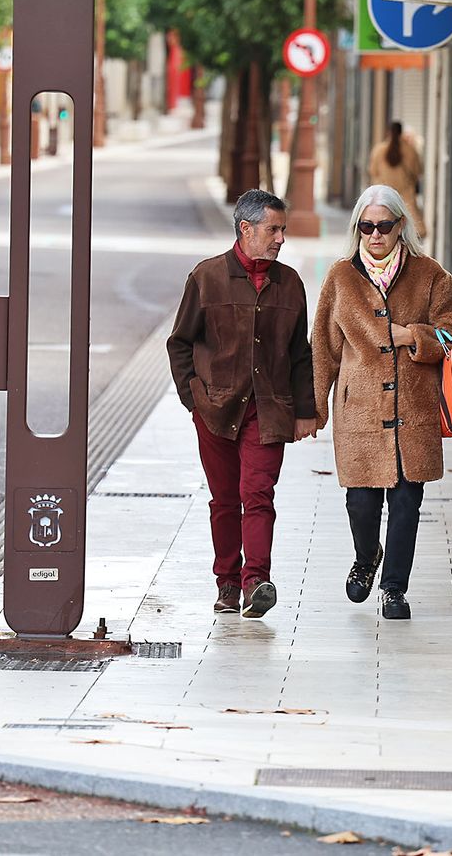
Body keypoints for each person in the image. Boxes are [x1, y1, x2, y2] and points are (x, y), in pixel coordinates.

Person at [312, 185, 452, 621]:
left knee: (405, 502)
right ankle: (366, 557)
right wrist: (316, 408)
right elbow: (322, 346)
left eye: (384, 226)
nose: (375, 235)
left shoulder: (431, 275)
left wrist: (410, 335)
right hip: (358, 411)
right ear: (357, 228)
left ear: (401, 226)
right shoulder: (341, 277)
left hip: (412, 410)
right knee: (361, 503)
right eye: (367, 227)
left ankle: (394, 589)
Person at [168, 189, 318, 619]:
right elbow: (179, 342)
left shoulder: (290, 284)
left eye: (283, 230)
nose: (281, 239)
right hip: (214, 410)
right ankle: (228, 583)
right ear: (246, 229)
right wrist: (192, 398)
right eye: (273, 229)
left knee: (258, 494)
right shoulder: (206, 277)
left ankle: (256, 581)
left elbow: (300, 353)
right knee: (224, 499)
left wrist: (305, 410)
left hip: (268, 411)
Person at [368, 122, 427, 240]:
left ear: (388, 132)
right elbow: (418, 171)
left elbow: (373, 171)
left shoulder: (379, 150)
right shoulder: (410, 150)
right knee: (414, 231)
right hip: (407, 198)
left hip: (384, 197)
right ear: (401, 133)